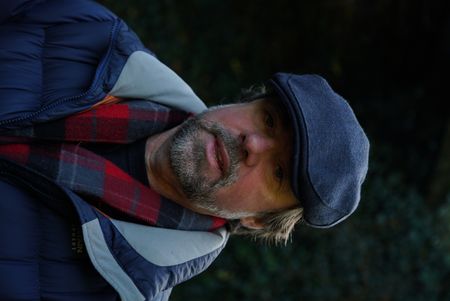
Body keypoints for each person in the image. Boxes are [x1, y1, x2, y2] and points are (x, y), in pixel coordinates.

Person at [0, 1, 369, 301]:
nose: (253, 143)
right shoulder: (90, 33)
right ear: (246, 101)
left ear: (256, 220)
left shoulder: (113, 292)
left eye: (278, 172)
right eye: (268, 120)